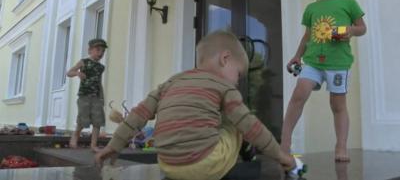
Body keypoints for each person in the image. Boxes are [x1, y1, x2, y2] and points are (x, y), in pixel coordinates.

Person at [95, 31, 295, 180]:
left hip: (168, 165)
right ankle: (240, 166)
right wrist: (280, 155)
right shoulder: (225, 87)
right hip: (206, 164)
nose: (236, 81)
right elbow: (251, 126)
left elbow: (137, 115)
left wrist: (114, 146)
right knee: (238, 120)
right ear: (225, 59)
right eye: (238, 74)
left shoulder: (170, 83)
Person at [280, 0, 367, 162]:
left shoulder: (349, 3)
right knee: (298, 94)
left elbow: (362, 28)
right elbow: (307, 36)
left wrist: (349, 31)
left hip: (339, 64)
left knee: (337, 105)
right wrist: (297, 56)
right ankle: (284, 143)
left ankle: (341, 146)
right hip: (312, 62)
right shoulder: (311, 9)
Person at [67, 38, 108, 152]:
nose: (100, 53)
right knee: (82, 118)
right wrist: (77, 73)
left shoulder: (101, 67)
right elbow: (69, 73)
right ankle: (75, 136)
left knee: (97, 120)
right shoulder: (83, 62)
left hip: (96, 97)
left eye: (103, 51)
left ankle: (93, 145)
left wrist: (102, 97)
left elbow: (99, 82)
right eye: (98, 50)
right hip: (84, 96)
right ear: (90, 50)